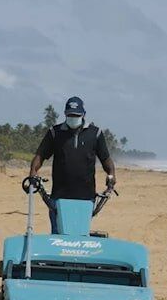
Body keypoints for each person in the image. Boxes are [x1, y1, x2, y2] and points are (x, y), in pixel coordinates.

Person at [28, 95, 115, 233]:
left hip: (86, 197)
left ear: (83, 114)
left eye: (76, 115)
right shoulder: (55, 133)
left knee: (80, 234)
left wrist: (111, 177)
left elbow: (106, 159)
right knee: (58, 235)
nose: (72, 118)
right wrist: (33, 173)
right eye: (70, 115)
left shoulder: (95, 134)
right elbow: (40, 156)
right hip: (59, 197)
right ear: (65, 114)